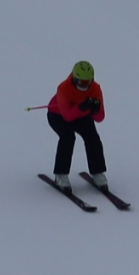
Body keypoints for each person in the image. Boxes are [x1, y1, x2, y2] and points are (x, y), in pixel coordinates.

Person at [46, 60, 106, 191]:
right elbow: (67, 116)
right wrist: (82, 107)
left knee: (93, 138)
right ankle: (60, 174)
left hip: (81, 115)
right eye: (81, 82)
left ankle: (97, 172)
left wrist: (95, 109)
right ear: (74, 79)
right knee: (68, 137)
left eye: (87, 82)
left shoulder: (96, 89)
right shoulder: (64, 88)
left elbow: (100, 118)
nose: (84, 85)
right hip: (58, 115)